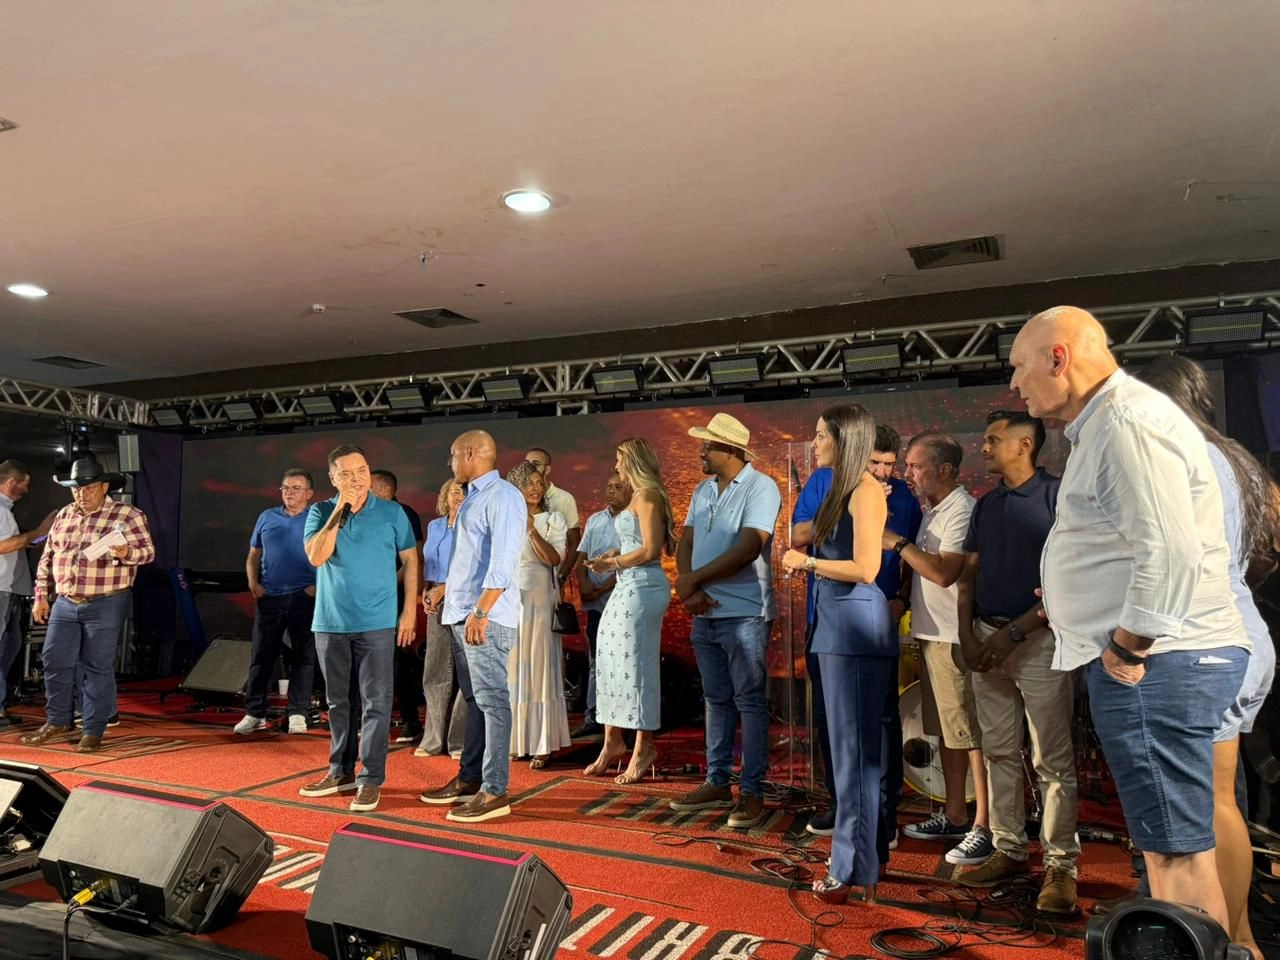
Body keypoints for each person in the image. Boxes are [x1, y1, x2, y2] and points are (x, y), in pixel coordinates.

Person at [1010, 306, 1248, 932]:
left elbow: (1169, 551)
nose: (1014, 383)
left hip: (1156, 665)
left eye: (1019, 366)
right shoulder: (1114, 421)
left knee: (1176, 858)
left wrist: (1126, 647)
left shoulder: (1125, 422)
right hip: (1166, 661)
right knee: (1175, 850)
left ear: (1058, 357)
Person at [1134, 355, 1276, 959]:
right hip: (1243, 632)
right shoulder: (1238, 459)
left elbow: (1166, 557)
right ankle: (1240, 939)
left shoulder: (1176, 456)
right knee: (1219, 798)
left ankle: (1226, 942)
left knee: (1197, 806)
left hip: (1197, 642)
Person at [953, 411, 1077, 917]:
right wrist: (968, 633)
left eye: (993, 440)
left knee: (1051, 759)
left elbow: (1069, 580)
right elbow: (969, 572)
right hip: (986, 638)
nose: (983, 448)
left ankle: (1061, 865)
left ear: (1025, 445)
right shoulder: (987, 503)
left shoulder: (1058, 497)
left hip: (1039, 642)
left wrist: (1015, 632)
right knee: (1000, 751)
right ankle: (1009, 849)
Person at [781, 405, 896, 906]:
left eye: (821, 435)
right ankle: (866, 863)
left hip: (853, 630)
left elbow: (867, 568)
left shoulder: (866, 491)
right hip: (838, 627)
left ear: (844, 440)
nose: (815, 443)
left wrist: (807, 562)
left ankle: (849, 868)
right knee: (854, 757)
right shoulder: (841, 490)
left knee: (854, 758)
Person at [792, 425, 920, 838]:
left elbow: (912, 554)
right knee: (830, 717)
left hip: (874, 621)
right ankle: (842, 804)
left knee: (880, 718)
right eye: (874, 463)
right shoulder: (824, 482)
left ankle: (884, 812)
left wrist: (902, 598)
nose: (882, 472)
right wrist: (848, 507)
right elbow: (797, 535)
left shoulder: (904, 497)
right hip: (825, 619)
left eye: (889, 464)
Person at [672, 413, 781, 830]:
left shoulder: (761, 486)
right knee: (716, 699)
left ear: (732, 450)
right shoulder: (702, 489)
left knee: (748, 701)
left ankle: (751, 790)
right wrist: (690, 587)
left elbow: (750, 546)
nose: (701, 451)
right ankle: (717, 781)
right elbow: (686, 541)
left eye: (708, 445)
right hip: (706, 612)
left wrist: (692, 581)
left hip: (745, 612)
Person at [298, 445, 418, 814]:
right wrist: (340, 510)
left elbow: (411, 559)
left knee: (376, 703)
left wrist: (408, 613)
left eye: (362, 470)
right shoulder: (320, 511)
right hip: (331, 622)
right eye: (347, 473)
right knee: (338, 702)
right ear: (333, 479)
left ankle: (370, 778)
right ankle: (340, 771)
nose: (357, 479)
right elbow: (317, 556)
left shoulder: (392, 512)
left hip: (377, 623)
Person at [891, 434, 991, 866]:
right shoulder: (933, 511)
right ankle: (954, 814)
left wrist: (898, 544)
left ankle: (984, 825)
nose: (907, 474)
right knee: (949, 732)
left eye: (915, 466)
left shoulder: (961, 510)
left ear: (944, 470)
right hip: (932, 636)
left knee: (969, 734)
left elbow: (945, 573)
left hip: (952, 638)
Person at [420, 430, 526, 823]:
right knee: (476, 701)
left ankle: (495, 790)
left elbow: (503, 560)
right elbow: (471, 561)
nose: (450, 463)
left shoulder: (502, 496)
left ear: (470, 453)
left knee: (493, 702)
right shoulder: (474, 497)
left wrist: (481, 612)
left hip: (485, 618)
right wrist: (446, 590)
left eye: (452, 455)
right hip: (463, 614)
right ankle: (471, 778)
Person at [21, 458, 155, 753]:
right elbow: (48, 557)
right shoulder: (65, 514)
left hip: (106, 600)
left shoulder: (127, 515)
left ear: (104, 487)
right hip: (66, 600)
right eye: (76, 489)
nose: (82, 494)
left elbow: (148, 553)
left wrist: (126, 551)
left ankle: (93, 730)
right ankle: (57, 721)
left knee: (97, 665)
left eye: (89, 488)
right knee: (54, 660)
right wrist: (41, 595)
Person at [583, 439, 675, 784]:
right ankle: (613, 742)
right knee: (609, 660)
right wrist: (614, 554)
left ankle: (643, 746)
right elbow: (635, 542)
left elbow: (650, 550)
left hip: (644, 587)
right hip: (626, 586)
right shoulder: (638, 496)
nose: (615, 465)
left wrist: (613, 563)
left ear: (633, 461)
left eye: (619, 459)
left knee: (637, 667)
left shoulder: (648, 496)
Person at [234, 469, 318, 736]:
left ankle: (297, 713)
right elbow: (253, 554)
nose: (289, 493)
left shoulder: (317, 518)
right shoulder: (267, 517)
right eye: (285, 488)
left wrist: (317, 587)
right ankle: (254, 713)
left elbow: (331, 556)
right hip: (270, 596)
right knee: (262, 655)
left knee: (304, 656)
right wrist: (253, 583)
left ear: (309, 493)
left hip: (304, 597)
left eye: (296, 488)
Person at [505, 460, 572, 767]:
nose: (535, 488)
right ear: (516, 487)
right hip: (511, 600)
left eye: (539, 483)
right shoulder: (506, 519)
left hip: (541, 599)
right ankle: (517, 740)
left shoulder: (553, 519)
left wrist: (531, 530)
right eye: (528, 483)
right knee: (513, 669)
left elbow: (554, 558)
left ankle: (543, 744)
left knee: (540, 666)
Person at [572, 472, 632, 738]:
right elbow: (581, 559)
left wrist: (600, 589)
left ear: (630, 491)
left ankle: (622, 721)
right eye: (609, 486)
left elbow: (630, 563)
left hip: (621, 603)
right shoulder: (595, 520)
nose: (611, 491)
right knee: (596, 661)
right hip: (596, 606)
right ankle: (593, 716)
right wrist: (584, 585)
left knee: (622, 662)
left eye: (618, 487)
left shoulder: (633, 521)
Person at [370, 469, 426, 744]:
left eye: (369, 486)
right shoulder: (360, 513)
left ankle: (410, 720)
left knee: (400, 660)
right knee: (369, 660)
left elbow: (414, 557)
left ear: (384, 490)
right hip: (367, 599)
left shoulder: (404, 514)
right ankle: (369, 718)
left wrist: (389, 584)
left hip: (396, 596)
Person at [0, 460, 54, 728]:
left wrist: (38, 537)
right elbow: (2, 546)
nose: (27, 490)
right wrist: (38, 532)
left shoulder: (6, 510)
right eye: (25, 484)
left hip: (8, 590)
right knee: (6, 646)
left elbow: (13, 543)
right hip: (1, 589)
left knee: (11, 645)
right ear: (11, 482)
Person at [416, 478, 468, 758]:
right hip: (435, 599)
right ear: (445, 495)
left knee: (467, 674)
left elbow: (472, 566)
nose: (458, 496)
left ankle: (459, 740)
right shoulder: (435, 526)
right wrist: (427, 591)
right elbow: (431, 562)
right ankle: (433, 739)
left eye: (464, 492)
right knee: (435, 670)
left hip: (464, 599)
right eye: (454, 492)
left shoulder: (473, 525)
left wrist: (445, 589)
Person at [525, 448, 581, 584]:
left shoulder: (564, 499)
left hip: (551, 575)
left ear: (547, 469)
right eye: (527, 463)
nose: (530, 467)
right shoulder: (516, 497)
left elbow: (574, 542)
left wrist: (562, 576)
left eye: (536, 463)